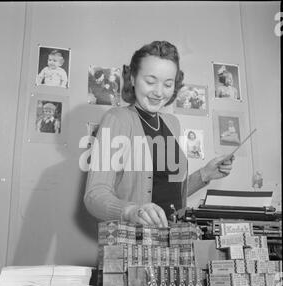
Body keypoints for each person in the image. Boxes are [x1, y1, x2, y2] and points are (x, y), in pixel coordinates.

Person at [84, 41, 234, 227]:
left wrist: (205, 174)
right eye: (150, 81)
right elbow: (95, 194)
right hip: (136, 245)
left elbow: (167, 190)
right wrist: (131, 211)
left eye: (168, 84)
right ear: (132, 78)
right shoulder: (117, 119)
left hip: (175, 240)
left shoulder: (172, 123)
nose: (159, 92)